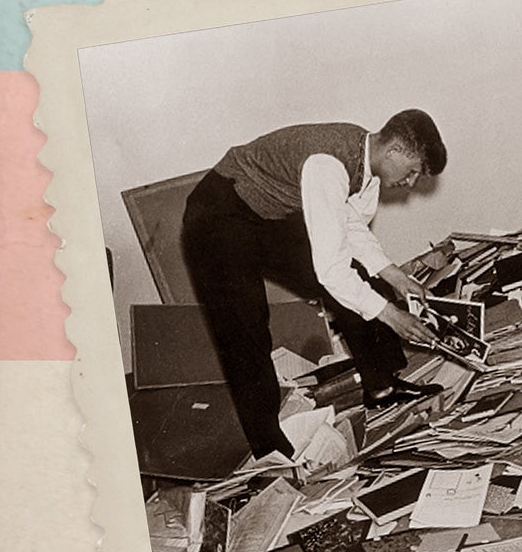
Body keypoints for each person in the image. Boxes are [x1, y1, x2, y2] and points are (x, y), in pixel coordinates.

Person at [178, 112, 448, 460]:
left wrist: (394, 275)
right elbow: (332, 271)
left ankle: (381, 386)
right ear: (395, 149)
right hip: (218, 215)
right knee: (246, 330)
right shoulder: (329, 165)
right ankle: (270, 451)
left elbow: (348, 227)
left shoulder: (366, 158)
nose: (410, 183)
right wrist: (392, 316)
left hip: (263, 213)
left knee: (358, 284)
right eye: (411, 172)